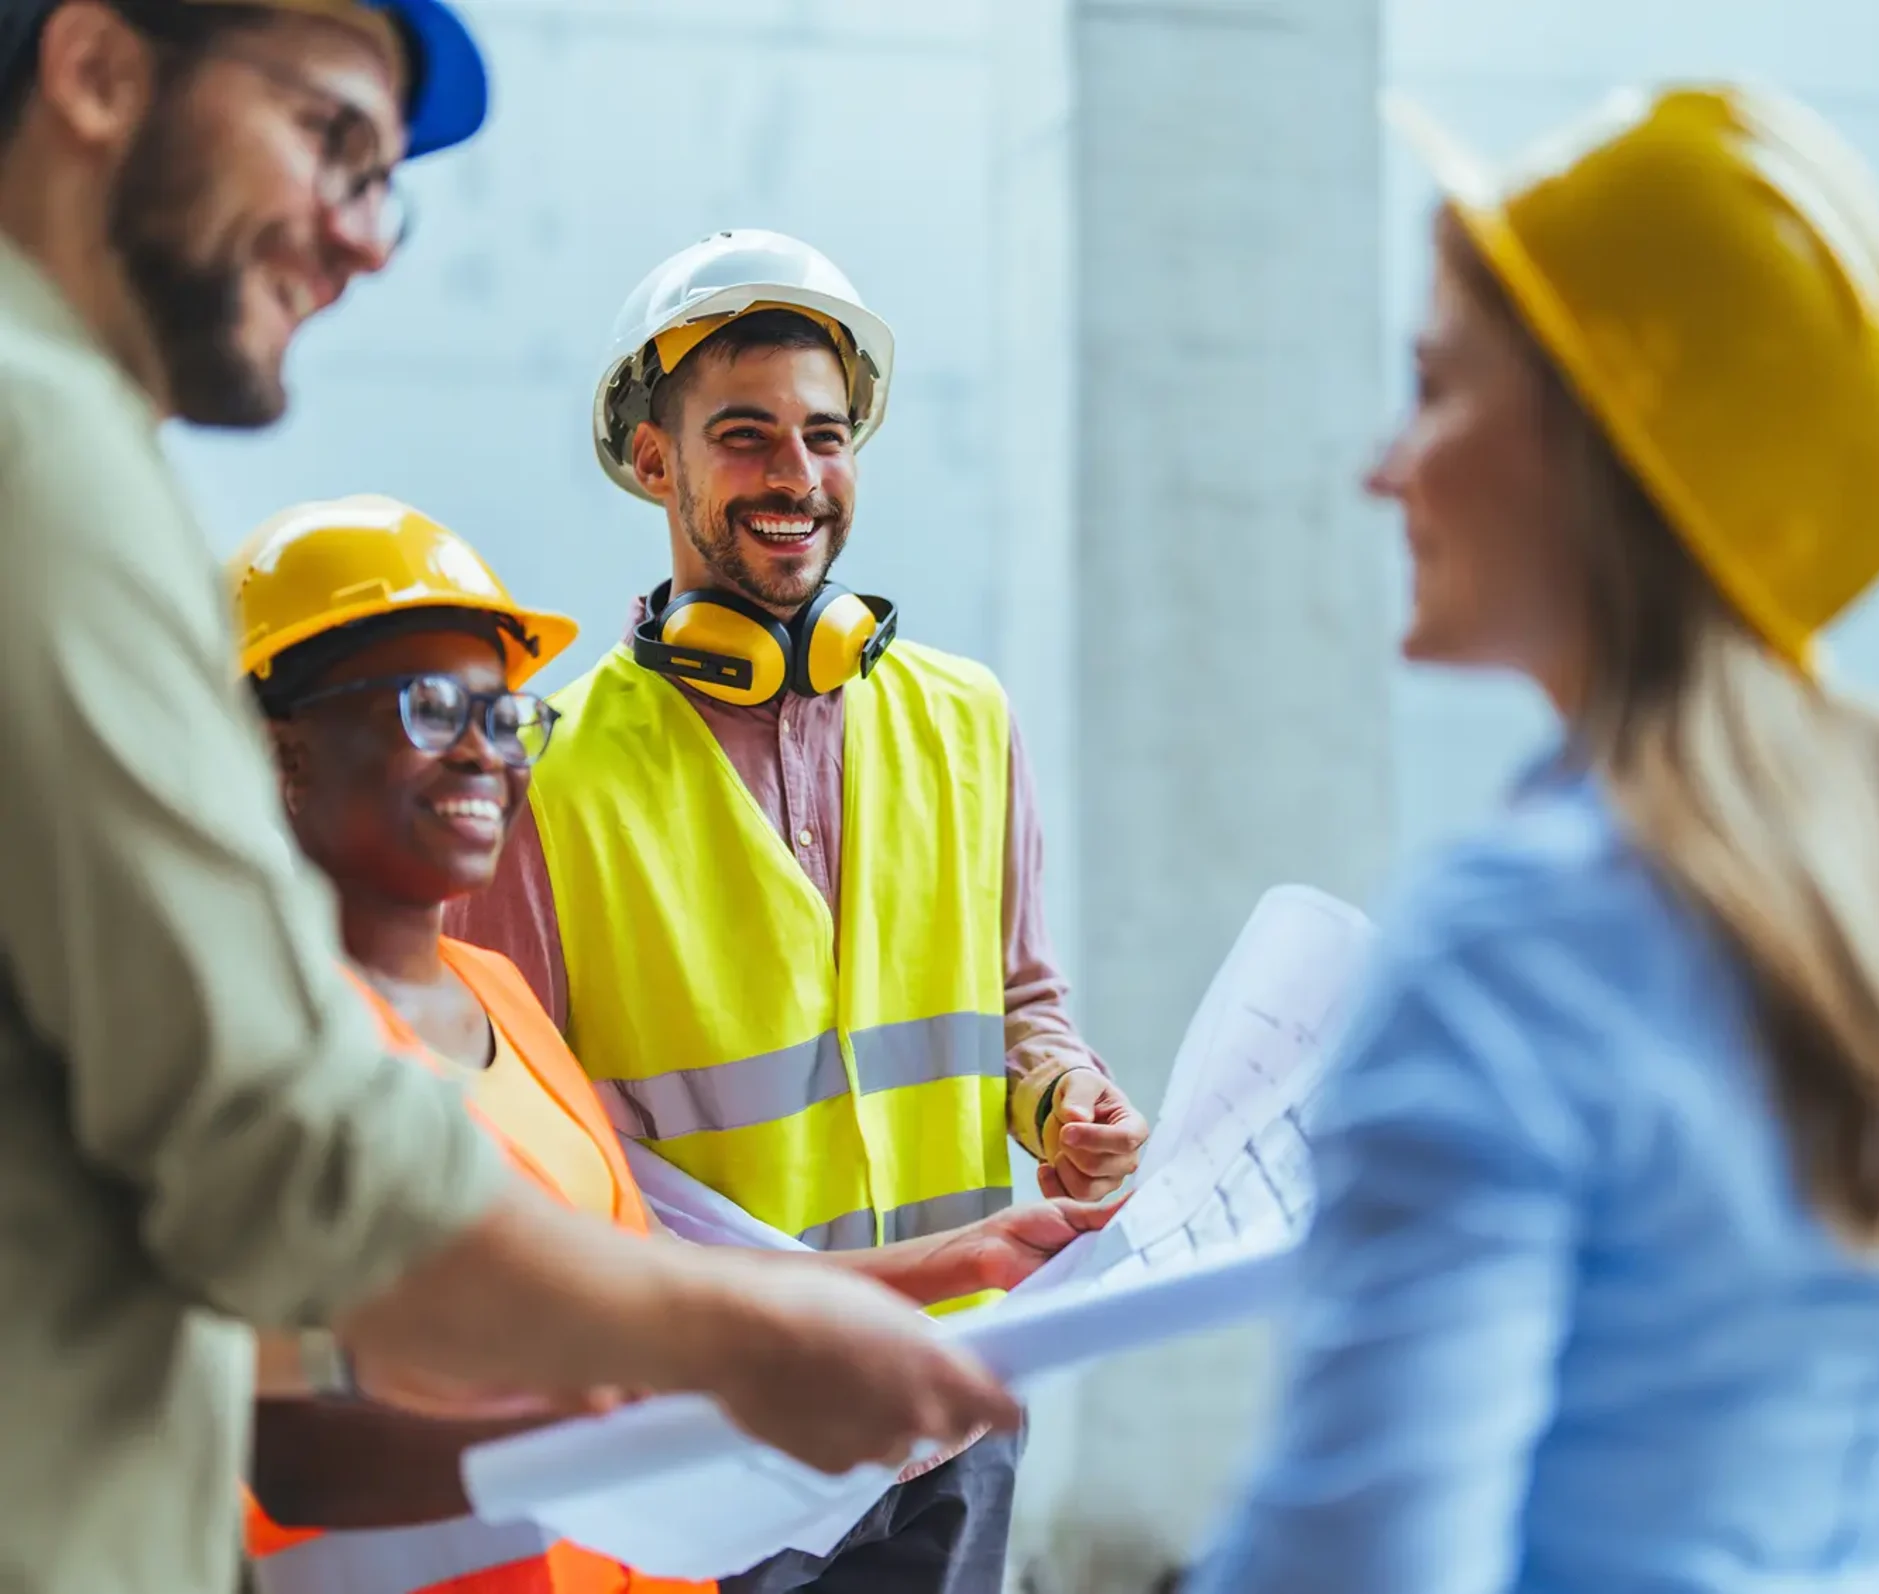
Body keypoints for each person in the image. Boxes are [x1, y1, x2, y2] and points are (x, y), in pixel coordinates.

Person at [0, 7, 1014, 1593]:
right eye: (331, 138)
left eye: (380, 179)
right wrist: (728, 1342)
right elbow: (278, 1152)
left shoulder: (951, 724)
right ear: (97, 69)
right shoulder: (38, 444)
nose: (366, 240)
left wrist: (853, 1296)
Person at [1188, 83, 1879, 1593]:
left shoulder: (1512, 940)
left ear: (1595, 438)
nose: (1388, 466)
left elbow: (1364, 1567)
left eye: (1434, 386)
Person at [228, 492, 1126, 1594]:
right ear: (279, 754)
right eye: (424, 707)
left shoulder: (493, 997)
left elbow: (634, 1279)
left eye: (504, 716)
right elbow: (285, 1446)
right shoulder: (254, 1053)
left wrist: (963, 1260)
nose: (482, 752)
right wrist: (681, 1399)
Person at [446, 228, 1149, 1594]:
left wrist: (1065, 1104)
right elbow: (522, 1145)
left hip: (957, 1387)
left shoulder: (967, 720)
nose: (798, 476)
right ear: (655, 461)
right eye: (747, 436)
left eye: (825, 435)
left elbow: (1022, 1007)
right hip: (723, 1428)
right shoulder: (548, 777)